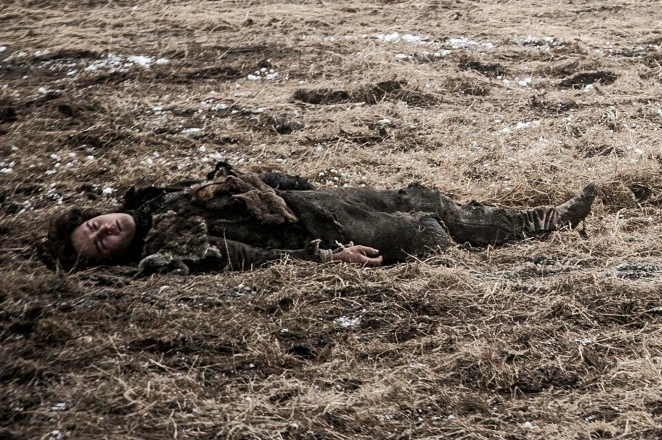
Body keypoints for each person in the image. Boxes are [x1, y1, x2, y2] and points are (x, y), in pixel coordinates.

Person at [38, 163, 596, 273]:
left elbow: (247, 178)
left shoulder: (158, 196)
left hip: (317, 203)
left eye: (95, 226)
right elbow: (249, 258)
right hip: (318, 233)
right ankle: (543, 227)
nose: (106, 232)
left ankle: (539, 220)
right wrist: (327, 259)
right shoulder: (172, 246)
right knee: (423, 229)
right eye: (101, 246)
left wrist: (290, 184)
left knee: (418, 196)